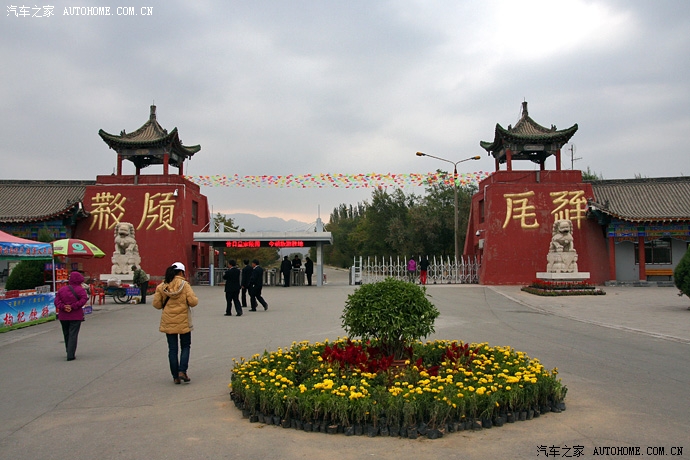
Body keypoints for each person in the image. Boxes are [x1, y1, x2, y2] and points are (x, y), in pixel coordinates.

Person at [152, 262, 199, 384]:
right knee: (185, 346)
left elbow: (156, 304)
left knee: (172, 349)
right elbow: (193, 302)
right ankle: (182, 370)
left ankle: (175, 376)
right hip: (183, 321)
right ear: (181, 272)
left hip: (168, 321)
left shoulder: (162, 286)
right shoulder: (185, 285)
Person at [54, 271, 88, 361]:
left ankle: (68, 350)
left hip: (63, 316)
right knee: (73, 334)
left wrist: (64, 307)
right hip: (75, 315)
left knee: (66, 333)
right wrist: (73, 306)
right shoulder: (81, 290)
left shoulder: (62, 289)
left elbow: (56, 301)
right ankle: (71, 353)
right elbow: (84, 299)